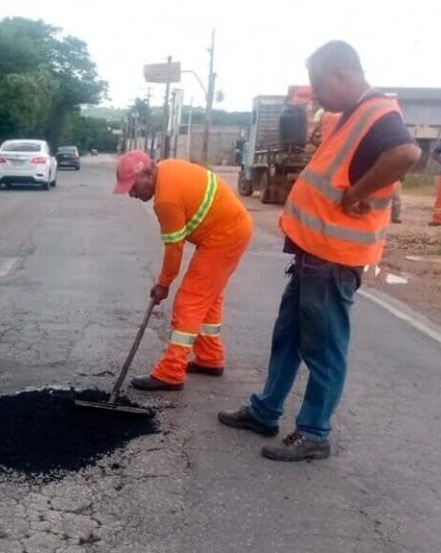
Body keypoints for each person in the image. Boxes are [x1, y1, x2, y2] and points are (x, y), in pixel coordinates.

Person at [217, 40, 421, 461]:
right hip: (312, 256)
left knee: (323, 350)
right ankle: (265, 411)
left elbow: (406, 153)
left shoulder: (378, 113)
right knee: (288, 338)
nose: (317, 96)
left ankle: (313, 432)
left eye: (319, 85)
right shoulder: (350, 114)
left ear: (342, 75)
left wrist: (356, 194)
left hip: (333, 260)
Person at [114, 151, 253, 391]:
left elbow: (174, 249)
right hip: (230, 229)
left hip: (224, 235)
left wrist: (163, 284)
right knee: (208, 297)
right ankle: (210, 358)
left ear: (148, 173)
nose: (132, 193)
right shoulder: (167, 169)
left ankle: (171, 372)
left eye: (133, 186)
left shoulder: (165, 200)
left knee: (190, 300)